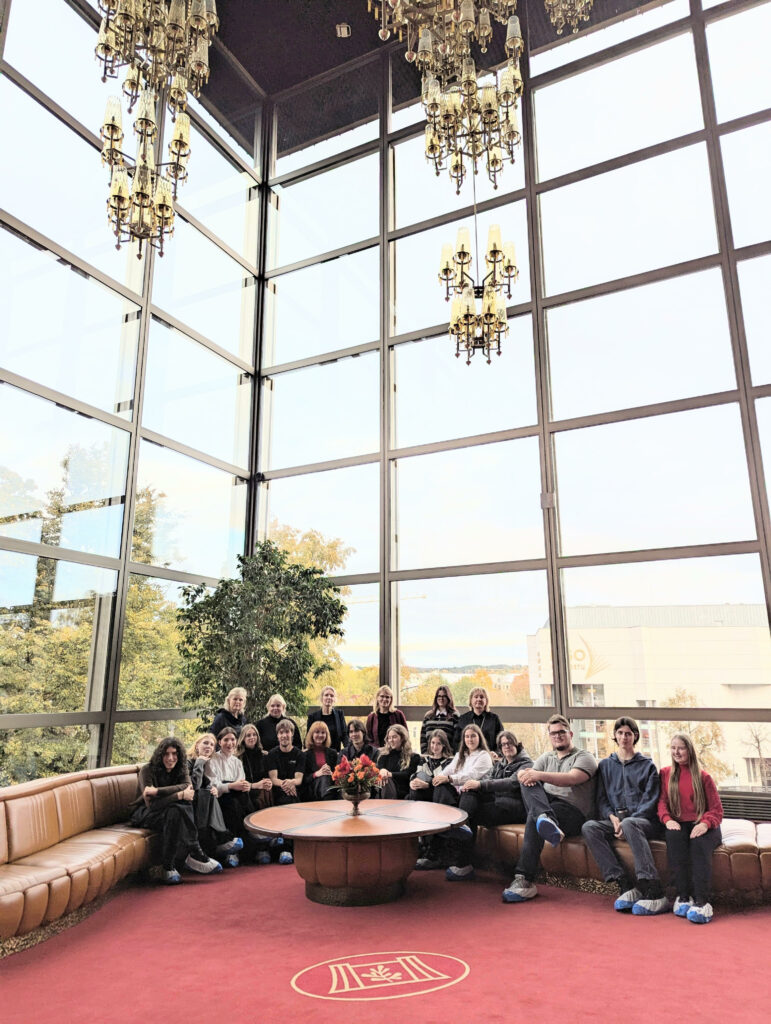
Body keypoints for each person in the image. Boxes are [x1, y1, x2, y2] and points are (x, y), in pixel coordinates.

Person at [502, 715, 597, 903]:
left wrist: (537, 775)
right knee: (528, 784)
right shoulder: (547, 757)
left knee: (534, 814)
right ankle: (545, 817)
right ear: (549, 737)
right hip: (549, 806)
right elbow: (528, 775)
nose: (557, 736)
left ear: (570, 734)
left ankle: (524, 878)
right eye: (553, 733)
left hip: (573, 812)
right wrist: (523, 774)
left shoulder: (584, 756)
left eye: (561, 732)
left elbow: (572, 778)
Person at [581, 717, 667, 915]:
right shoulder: (605, 765)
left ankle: (653, 888)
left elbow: (651, 801)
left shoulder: (647, 765)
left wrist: (628, 823)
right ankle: (624, 884)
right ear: (615, 736)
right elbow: (601, 799)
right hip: (616, 821)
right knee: (589, 828)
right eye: (620, 733)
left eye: (628, 733)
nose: (624, 737)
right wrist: (612, 818)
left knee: (630, 824)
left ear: (635, 736)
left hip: (644, 822)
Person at [130, 736, 222, 884]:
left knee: (177, 810)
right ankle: (194, 850)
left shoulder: (181, 768)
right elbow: (152, 805)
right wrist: (179, 795)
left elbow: (188, 786)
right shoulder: (147, 770)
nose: (170, 758)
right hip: (145, 814)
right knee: (179, 805)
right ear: (160, 755)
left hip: (169, 812)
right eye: (166, 754)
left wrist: (158, 791)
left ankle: (168, 866)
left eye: (174, 754)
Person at [658, 732, 723, 924]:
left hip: (704, 823)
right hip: (678, 822)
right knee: (674, 838)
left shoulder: (704, 777)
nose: (676, 752)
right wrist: (667, 819)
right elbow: (661, 802)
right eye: (673, 748)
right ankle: (684, 896)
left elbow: (717, 810)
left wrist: (705, 823)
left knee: (698, 844)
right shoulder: (665, 773)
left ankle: (702, 901)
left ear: (689, 750)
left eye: (681, 748)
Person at [187, 733, 244, 867]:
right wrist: (200, 762)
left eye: (212, 745)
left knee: (213, 794)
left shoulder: (206, 762)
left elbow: (207, 783)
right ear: (197, 745)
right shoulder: (189, 761)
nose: (209, 746)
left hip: (201, 801)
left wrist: (212, 788)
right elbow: (194, 785)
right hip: (187, 800)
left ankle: (221, 840)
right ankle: (222, 837)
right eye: (205, 743)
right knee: (207, 795)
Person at [459, 729, 532, 829]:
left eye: (510, 743)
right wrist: (473, 785)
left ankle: (462, 827)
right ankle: (462, 826)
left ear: (517, 745)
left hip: (515, 807)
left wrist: (480, 784)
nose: (507, 746)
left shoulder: (526, 764)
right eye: (503, 744)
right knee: (469, 791)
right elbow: (489, 779)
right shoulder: (499, 765)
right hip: (498, 801)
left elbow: (511, 783)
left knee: (474, 813)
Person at [204, 727, 252, 863]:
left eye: (232, 739)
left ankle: (253, 836)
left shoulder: (237, 762)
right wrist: (231, 785)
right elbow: (213, 785)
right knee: (233, 803)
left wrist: (245, 785)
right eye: (226, 740)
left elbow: (240, 782)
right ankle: (232, 848)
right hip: (218, 797)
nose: (230, 743)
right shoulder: (212, 760)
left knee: (244, 797)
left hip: (236, 795)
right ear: (219, 742)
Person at [266, 719, 304, 864]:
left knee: (291, 801)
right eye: (281, 733)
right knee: (287, 801)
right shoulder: (272, 754)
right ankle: (285, 848)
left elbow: (299, 779)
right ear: (277, 736)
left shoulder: (299, 754)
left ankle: (286, 848)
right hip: (278, 791)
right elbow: (274, 779)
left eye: (287, 732)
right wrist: (287, 784)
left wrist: (290, 783)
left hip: (295, 791)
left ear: (292, 734)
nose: (284, 736)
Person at [453, 687, 504, 754]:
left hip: (489, 756)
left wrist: (496, 753)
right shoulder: (463, 719)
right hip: (468, 756)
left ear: (486, 701)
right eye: (476, 697)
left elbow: (501, 739)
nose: (479, 699)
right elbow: (456, 741)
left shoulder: (494, 719)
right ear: (471, 700)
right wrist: (463, 753)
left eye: (482, 697)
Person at [376, 725, 421, 800]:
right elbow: (378, 770)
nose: (391, 740)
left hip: (403, 790)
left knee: (387, 779)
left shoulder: (413, 757)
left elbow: (408, 774)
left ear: (402, 738)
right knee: (383, 778)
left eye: (394, 737)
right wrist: (382, 770)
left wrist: (390, 774)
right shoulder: (384, 755)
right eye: (389, 738)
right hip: (383, 788)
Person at [409, 730, 454, 804]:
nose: (435, 746)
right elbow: (416, 775)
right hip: (424, 793)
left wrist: (428, 785)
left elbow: (445, 785)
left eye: (438, 743)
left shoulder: (449, 762)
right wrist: (412, 782)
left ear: (444, 745)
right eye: (433, 743)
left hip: (440, 794)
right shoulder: (424, 760)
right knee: (415, 787)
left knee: (440, 788)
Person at [301, 721, 341, 800]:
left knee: (326, 778)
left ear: (326, 735)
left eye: (323, 733)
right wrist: (317, 774)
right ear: (312, 735)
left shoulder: (333, 753)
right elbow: (303, 779)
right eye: (317, 732)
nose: (320, 735)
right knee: (324, 778)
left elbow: (338, 774)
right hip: (312, 789)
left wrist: (331, 774)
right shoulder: (305, 755)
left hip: (330, 785)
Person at [419, 685, 459, 754]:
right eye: (439, 696)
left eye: (444, 696)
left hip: (448, 756)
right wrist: (425, 754)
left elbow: (457, 739)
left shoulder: (455, 716)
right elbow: (423, 738)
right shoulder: (428, 716)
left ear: (449, 698)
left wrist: (451, 756)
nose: (441, 698)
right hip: (430, 756)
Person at [305, 685, 347, 752]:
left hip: (335, 752)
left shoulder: (339, 715)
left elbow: (345, 735)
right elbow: (308, 737)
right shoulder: (313, 717)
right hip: (318, 752)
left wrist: (348, 751)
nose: (329, 697)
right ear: (322, 698)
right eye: (326, 695)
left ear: (334, 699)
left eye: (332, 696)